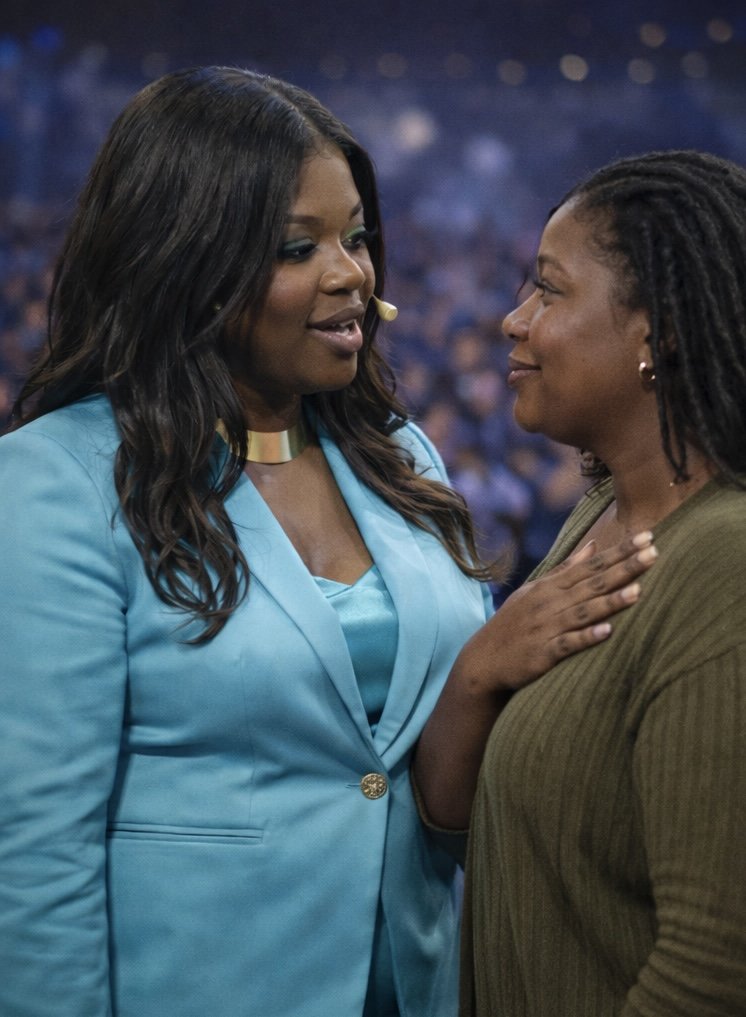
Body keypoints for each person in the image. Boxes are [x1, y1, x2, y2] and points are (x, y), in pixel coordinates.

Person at [0, 67, 654, 1017]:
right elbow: (33, 855)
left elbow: (403, 764)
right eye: (296, 247)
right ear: (184, 260)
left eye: (354, 237)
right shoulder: (56, 480)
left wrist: (481, 672)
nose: (352, 273)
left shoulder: (396, 453)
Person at [413, 149, 746, 1016]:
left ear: (659, 328)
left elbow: (714, 968)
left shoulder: (725, 561)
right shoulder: (600, 516)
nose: (512, 321)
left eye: (550, 291)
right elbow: (453, 818)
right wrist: (481, 666)